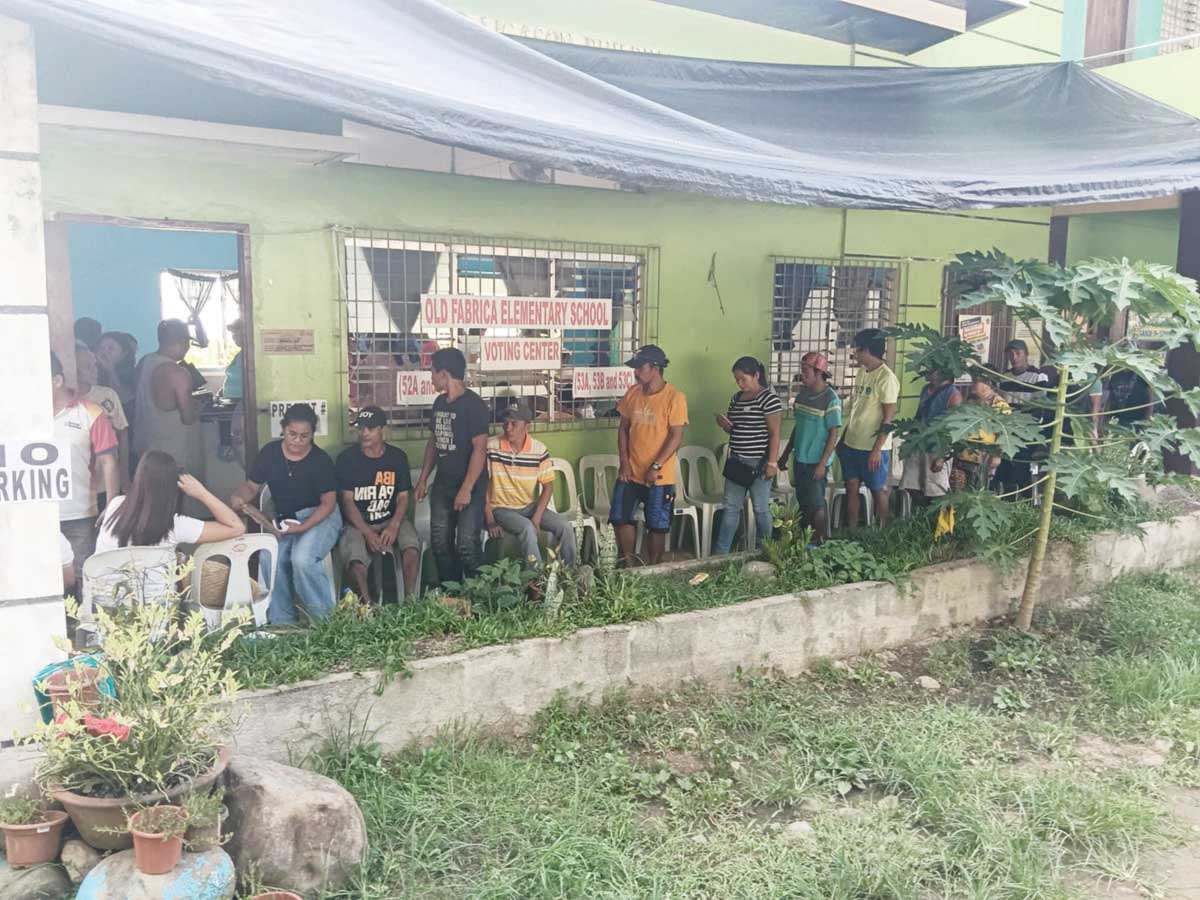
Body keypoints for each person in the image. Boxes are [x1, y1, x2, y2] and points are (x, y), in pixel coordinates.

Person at [231, 404, 342, 624]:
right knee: (269, 557)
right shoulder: (270, 454)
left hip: (322, 517)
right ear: (283, 429)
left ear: (312, 434)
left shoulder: (320, 460)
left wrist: (301, 528)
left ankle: (326, 623)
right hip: (286, 520)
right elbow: (252, 487)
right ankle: (283, 621)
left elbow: (328, 504)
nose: (298, 441)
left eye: (304, 436)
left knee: (302, 559)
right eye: (292, 434)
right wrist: (239, 496)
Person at [95, 451, 245, 601]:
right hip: (155, 611)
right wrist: (202, 493)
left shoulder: (115, 505)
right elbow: (236, 527)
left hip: (106, 606)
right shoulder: (175, 525)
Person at [414, 348, 489, 584]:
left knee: (467, 545)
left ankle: (481, 600)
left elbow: (480, 449)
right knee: (440, 544)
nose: (431, 378)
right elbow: (434, 442)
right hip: (443, 486)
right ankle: (453, 599)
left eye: (432, 373)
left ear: (444, 373)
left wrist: (466, 489)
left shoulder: (474, 405)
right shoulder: (439, 403)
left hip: (470, 488)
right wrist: (423, 478)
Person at [610, 345, 689, 566]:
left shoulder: (675, 397)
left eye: (639, 367)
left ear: (655, 368)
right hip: (630, 472)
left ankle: (653, 570)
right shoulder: (632, 393)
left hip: (659, 476)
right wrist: (624, 463)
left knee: (657, 525)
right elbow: (623, 429)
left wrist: (655, 466)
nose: (636, 372)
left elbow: (675, 437)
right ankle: (627, 564)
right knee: (620, 519)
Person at [336, 406, 421, 603]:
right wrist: (366, 532)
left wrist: (394, 525)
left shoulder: (397, 457)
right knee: (355, 561)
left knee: (412, 549)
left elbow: (402, 498)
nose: (364, 433)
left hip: (390, 518)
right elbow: (348, 502)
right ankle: (368, 609)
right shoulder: (347, 459)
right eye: (361, 428)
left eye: (371, 428)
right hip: (358, 523)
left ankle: (410, 603)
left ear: (384, 429)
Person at [484, 401, 577, 568]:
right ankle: (536, 582)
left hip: (529, 507)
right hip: (502, 508)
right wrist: (490, 519)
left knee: (565, 527)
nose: (508, 428)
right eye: (505, 422)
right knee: (527, 528)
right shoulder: (491, 447)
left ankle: (571, 575)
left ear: (527, 426)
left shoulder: (539, 450)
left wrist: (537, 517)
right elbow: (481, 486)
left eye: (514, 423)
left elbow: (548, 487)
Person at [52, 351, 119, 574]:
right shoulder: (20, 414)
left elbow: (109, 461)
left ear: (57, 381)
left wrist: (111, 505)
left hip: (78, 513)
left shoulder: (91, 412)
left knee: (82, 575)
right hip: (34, 511)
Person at [713, 356, 781, 555]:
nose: (740, 383)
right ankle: (722, 553)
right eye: (737, 380)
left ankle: (766, 551)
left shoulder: (768, 399)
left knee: (761, 509)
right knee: (730, 508)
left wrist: (772, 463)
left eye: (743, 379)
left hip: (759, 463)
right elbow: (735, 429)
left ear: (756, 375)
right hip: (737, 462)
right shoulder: (736, 398)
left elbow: (774, 433)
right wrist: (726, 426)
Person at [837, 329, 899, 528]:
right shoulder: (862, 373)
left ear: (867, 349)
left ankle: (881, 532)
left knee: (877, 489)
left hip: (873, 447)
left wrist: (876, 450)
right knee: (851, 486)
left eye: (856, 348)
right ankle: (853, 530)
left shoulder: (886, 378)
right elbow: (855, 406)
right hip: (852, 442)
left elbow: (888, 418)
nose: (854, 352)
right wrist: (843, 438)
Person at [778, 352, 841, 544]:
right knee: (804, 503)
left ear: (819, 372)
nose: (802, 374)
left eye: (806, 370)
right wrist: (786, 453)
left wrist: (822, 464)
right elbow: (799, 427)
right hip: (800, 459)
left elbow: (833, 433)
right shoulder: (803, 395)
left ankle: (818, 543)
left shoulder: (831, 399)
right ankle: (805, 543)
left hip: (816, 461)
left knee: (817, 505)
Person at [133, 319, 201, 474]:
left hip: (144, 452)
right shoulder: (178, 373)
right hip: (172, 456)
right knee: (175, 497)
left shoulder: (144, 362)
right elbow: (188, 417)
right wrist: (197, 406)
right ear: (183, 342)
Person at [995, 339, 1050, 498]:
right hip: (1007, 430)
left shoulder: (1038, 377)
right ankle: (1007, 498)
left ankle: (1023, 500)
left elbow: (1041, 407)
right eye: (1011, 354)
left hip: (1027, 431)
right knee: (1005, 466)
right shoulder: (1004, 377)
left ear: (1026, 354)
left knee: (1021, 468)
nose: (1014, 357)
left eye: (1018, 353)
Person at [899, 368, 961, 507]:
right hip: (919, 443)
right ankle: (921, 518)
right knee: (912, 485)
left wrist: (943, 456)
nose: (926, 371)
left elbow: (954, 428)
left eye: (931, 369)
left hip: (937, 447)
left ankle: (937, 525)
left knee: (936, 490)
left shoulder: (953, 394)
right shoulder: (925, 389)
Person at [75, 343, 130, 494]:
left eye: (94, 365)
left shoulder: (107, 396)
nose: (95, 369)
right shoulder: (64, 402)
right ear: (72, 370)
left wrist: (124, 475)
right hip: (78, 487)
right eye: (87, 366)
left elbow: (122, 434)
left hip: (106, 483)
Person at [951, 371, 1012, 491]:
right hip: (964, 453)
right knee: (955, 487)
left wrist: (997, 455)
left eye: (976, 382)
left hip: (983, 457)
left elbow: (1004, 433)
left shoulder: (1000, 405)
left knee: (976, 489)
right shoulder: (973, 400)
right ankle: (950, 511)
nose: (973, 386)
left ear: (987, 384)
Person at [218, 319, 244, 461]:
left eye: (237, 335)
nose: (234, 339)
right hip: (230, 401)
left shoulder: (250, 355)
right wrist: (221, 391)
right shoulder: (239, 354)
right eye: (233, 336)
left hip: (239, 404)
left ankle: (228, 449)